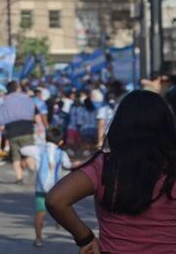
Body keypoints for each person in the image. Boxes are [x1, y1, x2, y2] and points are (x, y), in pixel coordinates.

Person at [46, 90, 176, 253]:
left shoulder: (104, 166)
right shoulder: (171, 167)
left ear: (119, 126)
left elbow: (55, 200)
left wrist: (85, 238)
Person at [20, 127, 72, 248]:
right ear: (60, 142)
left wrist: (25, 157)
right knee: (62, 207)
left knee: (40, 213)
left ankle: (38, 239)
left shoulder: (38, 149)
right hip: (56, 190)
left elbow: (23, 150)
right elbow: (68, 165)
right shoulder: (62, 153)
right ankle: (60, 223)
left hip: (41, 189)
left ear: (46, 138)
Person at [0, 81, 38, 184]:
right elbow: (36, 113)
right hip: (27, 129)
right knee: (29, 153)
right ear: (18, 88)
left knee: (16, 156)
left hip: (12, 131)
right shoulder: (27, 98)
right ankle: (32, 170)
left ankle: (19, 178)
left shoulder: (4, 101)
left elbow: (0, 120)